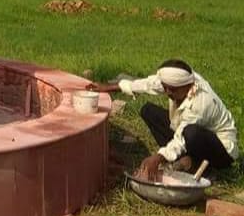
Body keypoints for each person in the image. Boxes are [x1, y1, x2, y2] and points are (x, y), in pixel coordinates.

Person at [90, 59, 238, 181]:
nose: (167, 92)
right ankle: (184, 159)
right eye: (165, 88)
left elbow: (181, 137)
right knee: (148, 110)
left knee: (191, 133)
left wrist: (157, 158)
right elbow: (148, 84)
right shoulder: (180, 81)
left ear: (185, 86)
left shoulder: (201, 103)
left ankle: (205, 168)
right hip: (187, 134)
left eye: (171, 89)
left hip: (220, 150)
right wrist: (110, 87)